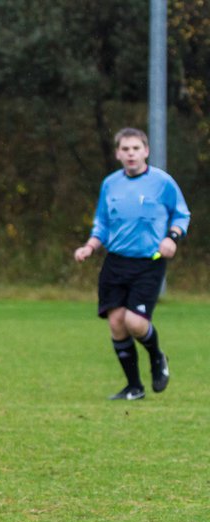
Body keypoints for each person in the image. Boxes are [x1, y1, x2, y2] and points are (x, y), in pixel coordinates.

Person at [74, 128, 190, 401]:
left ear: (146, 151)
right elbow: (102, 222)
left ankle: (157, 357)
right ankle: (134, 387)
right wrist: (89, 246)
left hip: (149, 262)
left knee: (135, 323)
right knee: (116, 323)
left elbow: (181, 214)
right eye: (125, 149)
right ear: (117, 153)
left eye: (136, 148)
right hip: (115, 262)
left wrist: (173, 237)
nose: (130, 154)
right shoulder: (110, 184)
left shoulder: (163, 182)